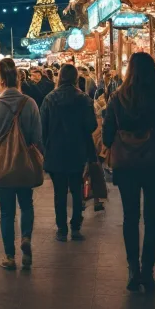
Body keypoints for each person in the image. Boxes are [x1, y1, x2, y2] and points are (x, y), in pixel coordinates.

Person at [103, 52, 155, 292]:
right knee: (152, 218)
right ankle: (148, 271)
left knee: (130, 217)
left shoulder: (117, 99)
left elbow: (106, 136)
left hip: (126, 166)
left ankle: (133, 269)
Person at [0, 57, 42, 271]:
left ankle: (9, 256)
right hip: (25, 165)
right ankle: (26, 238)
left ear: (1, 79)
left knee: (6, 213)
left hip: (3, 167)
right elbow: (37, 137)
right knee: (26, 204)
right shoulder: (30, 103)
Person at [40, 64, 97, 241]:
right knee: (77, 189)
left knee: (59, 193)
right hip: (77, 151)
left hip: (55, 151)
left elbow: (43, 127)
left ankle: (62, 229)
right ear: (75, 78)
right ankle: (76, 226)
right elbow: (92, 125)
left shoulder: (49, 99)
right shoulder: (84, 99)